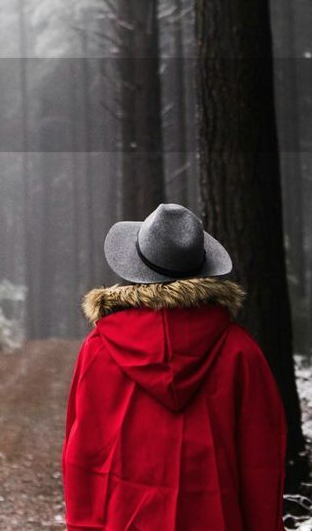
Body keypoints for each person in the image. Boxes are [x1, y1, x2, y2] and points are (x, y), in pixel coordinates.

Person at [63, 203, 286, 530]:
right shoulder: (241, 351)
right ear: (201, 269)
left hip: (124, 519)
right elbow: (262, 461)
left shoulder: (100, 348)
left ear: (135, 268)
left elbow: (82, 453)